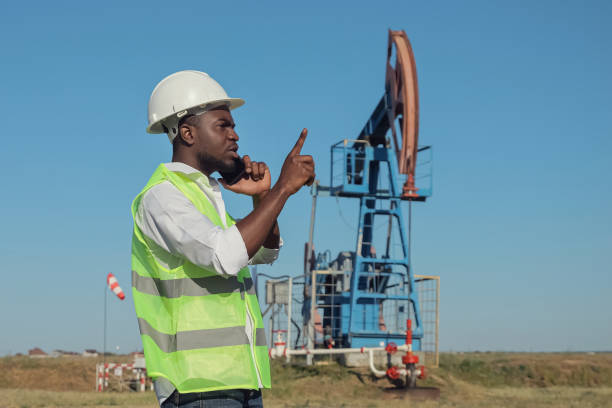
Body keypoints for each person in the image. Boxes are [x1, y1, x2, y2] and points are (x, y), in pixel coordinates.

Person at [131, 70, 315, 407]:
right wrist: (283, 189)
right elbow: (226, 255)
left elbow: (264, 252)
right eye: (222, 126)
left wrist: (261, 198)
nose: (235, 136)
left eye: (233, 126)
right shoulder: (163, 198)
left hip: (238, 381)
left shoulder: (204, 196)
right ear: (187, 133)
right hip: (198, 386)